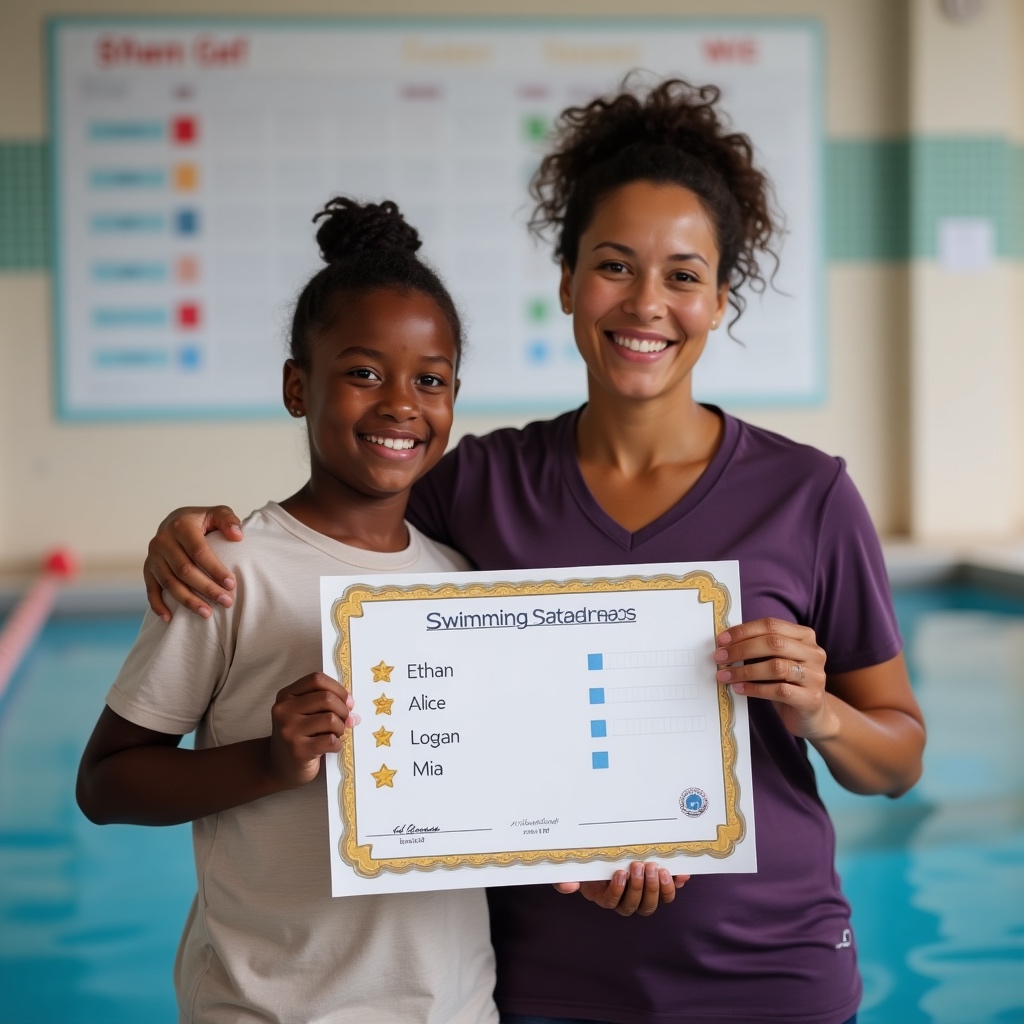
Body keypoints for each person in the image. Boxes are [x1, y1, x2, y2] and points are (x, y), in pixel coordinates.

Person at [139, 80, 925, 1024]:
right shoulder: (478, 484)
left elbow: (899, 758)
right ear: (566, 281)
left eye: (683, 275)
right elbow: (332, 515)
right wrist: (190, 527)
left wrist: (820, 711)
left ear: (720, 300)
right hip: (543, 976)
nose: (646, 303)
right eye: (613, 265)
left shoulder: (808, 495)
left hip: (770, 968)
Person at [76, 198, 499, 1024]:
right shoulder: (229, 568)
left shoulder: (458, 578)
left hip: (453, 1006)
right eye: (363, 372)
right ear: (296, 386)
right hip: (272, 1006)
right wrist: (269, 763)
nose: (401, 404)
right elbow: (105, 782)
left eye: (431, 380)